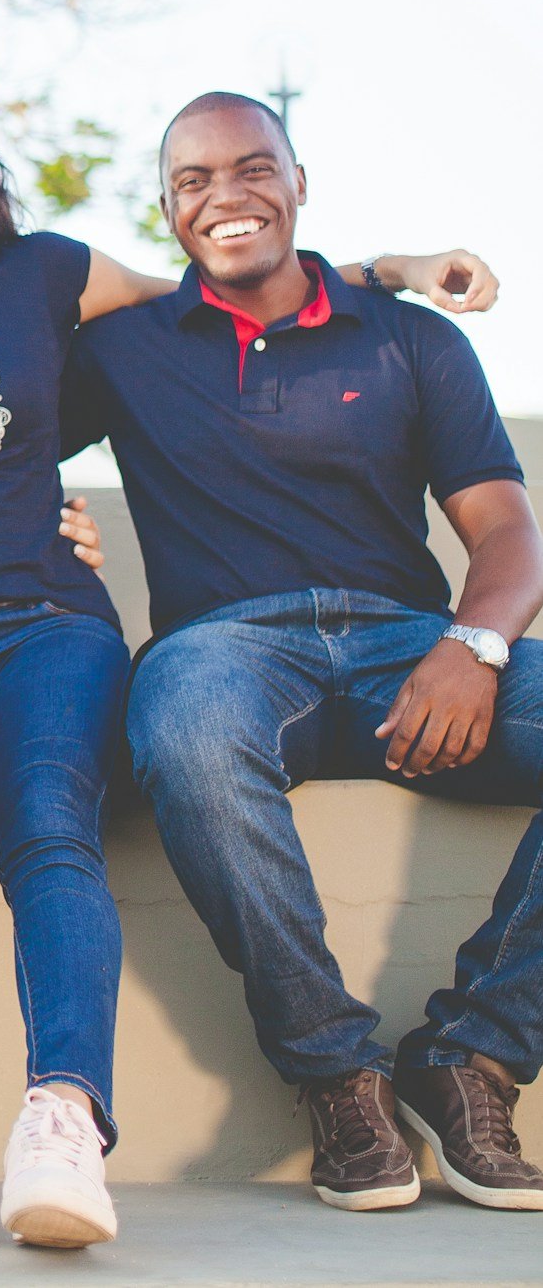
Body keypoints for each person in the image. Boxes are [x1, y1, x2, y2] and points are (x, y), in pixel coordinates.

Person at [0, 40, 486, 1253]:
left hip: (51, 620)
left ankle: (61, 1117)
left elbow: (226, 292)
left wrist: (392, 268)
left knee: (48, 814)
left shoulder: (45, 273)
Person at [66, 90, 543, 1215]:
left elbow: (506, 530)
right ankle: (337, 1075)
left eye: (250, 168)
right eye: (191, 181)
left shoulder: (409, 336)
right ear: (167, 209)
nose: (224, 196)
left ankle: (471, 1056)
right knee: (180, 725)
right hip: (223, 652)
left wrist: (473, 646)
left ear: (296, 180)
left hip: (410, 650)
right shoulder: (122, 349)